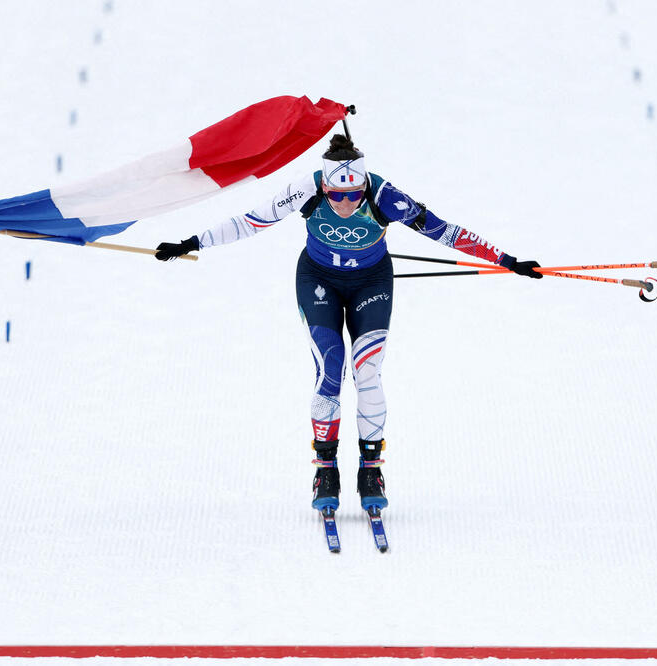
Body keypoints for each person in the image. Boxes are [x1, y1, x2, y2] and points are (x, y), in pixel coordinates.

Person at [155, 133, 541, 516]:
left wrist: (507, 261)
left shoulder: (385, 197)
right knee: (330, 368)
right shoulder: (305, 190)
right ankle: (325, 470)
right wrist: (191, 242)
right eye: (336, 195)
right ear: (324, 187)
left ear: (363, 186)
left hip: (371, 283)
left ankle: (371, 470)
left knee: (367, 369)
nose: (345, 203)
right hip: (318, 280)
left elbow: (444, 230)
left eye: (354, 194)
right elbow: (252, 221)